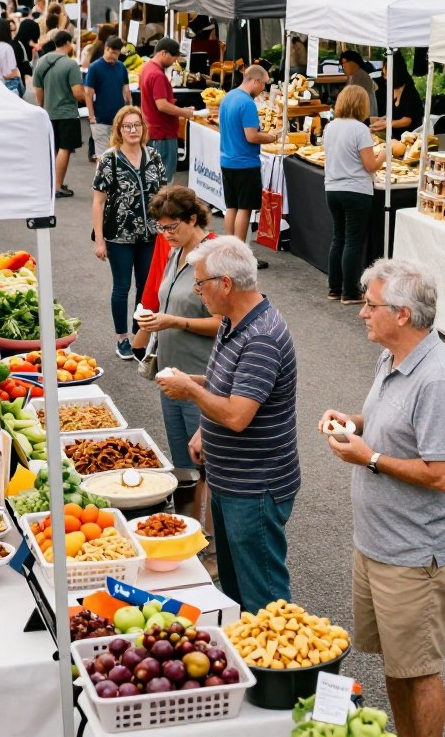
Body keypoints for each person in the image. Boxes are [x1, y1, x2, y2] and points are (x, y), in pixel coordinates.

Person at [319, 259, 445, 737]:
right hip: (378, 545)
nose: (362, 312)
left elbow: (443, 474)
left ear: (403, 314)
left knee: (420, 670)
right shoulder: (393, 356)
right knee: (395, 662)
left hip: (414, 555)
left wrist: (370, 457)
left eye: (371, 305)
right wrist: (353, 424)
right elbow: (391, 426)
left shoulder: (439, 379)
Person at [157, 237, 299, 612]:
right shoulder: (233, 321)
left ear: (225, 284)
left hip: (254, 486)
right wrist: (204, 423)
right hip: (230, 478)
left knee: (264, 595)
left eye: (200, 283)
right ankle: (248, 662)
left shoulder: (262, 337)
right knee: (236, 589)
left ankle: (277, 666)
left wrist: (189, 391)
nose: (195, 289)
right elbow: (228, 384)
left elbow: (237, 415)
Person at [141, 186, 221, 469]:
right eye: (161, 228)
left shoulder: (213, 257)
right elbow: (167, 301)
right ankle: (188, 514)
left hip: (201, 377)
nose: (166, 234)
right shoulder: (177, 253)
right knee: (182, 464)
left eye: (172, 227)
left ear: (192, 219)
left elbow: (224, 323)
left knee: (207, 465)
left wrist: (174, 321)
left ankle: (205, 515)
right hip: (170, 376)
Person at [92, 106, 166, 360]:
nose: (133, 130)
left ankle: (140, 335)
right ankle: (121, 338)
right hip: (119, 236)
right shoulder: (109, 159)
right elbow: (98, 202)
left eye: (137, 125)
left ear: (143, 128)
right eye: (127, 126)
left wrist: (167, 228)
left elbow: (163, 196)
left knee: (147, 287)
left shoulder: (153, 156)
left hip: (150, 236)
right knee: (122, 286)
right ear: (119, 130)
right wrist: (100, 240)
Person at [323, 85, 388, 304]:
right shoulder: (360, 129)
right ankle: (350, 292)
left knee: (338, 238)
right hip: (356, 189)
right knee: (353, 241)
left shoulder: (330, 127)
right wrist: (384, 155)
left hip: (332, 188)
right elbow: (370, 165)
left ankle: (335, 287)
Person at [218, 65, 278, 259]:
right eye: (264, 84)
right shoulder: (247, 103)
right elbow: (252, 136)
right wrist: (271, 137)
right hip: (245, 162)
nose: (264, 89)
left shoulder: (228, 97)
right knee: (245, 209)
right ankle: (239, 254)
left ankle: (229, 249)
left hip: (227, 160)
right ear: (255, 81)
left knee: (232, 207)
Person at [33, 30, 86, 198]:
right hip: (67, 113)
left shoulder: (42, 61)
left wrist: (42, 105)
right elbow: (77, 92)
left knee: (53, 149)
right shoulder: (70, 65)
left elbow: (38, 89)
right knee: (65, 148)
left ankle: (50, 183)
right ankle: (57, 186)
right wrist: (89, 99)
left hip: (49, 112)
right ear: (68, 43)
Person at [139, 37, 195, 185]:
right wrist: (184, 112)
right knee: (163, 181)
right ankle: (161, 208)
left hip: (153, 131)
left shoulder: (146, 68)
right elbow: (162, 105)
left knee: (152, 179)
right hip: (163, 134)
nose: (174, 62)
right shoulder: (157, 75)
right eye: (174, 57)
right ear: (164, 53)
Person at [85, 35, 131, 158]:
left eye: (116, 54)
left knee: (118, 156)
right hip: (100, 119)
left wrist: (129, 110)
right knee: (103, 157)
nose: (113, 57)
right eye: (111, 53)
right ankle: (103, 177)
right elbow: (88, 94)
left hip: (118, 120)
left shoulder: (121, 67)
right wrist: (91, 116)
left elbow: (126, 90)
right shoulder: (94, 67)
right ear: (106, 49)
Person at [368, 52, 423, 134]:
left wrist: (387, 124)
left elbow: (407, 120)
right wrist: (380, 119)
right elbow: (394, 115)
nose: (384, 75)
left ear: (395, 71)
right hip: (394, 138)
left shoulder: (409, 92)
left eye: (386, 72)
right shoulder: (392, 89)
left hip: (409, 138)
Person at [340, 49, 378, 119]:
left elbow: (353, 99)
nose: (344, 66)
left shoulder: (361, 76)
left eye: (346, 63)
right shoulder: (351, 75)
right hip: (358, 113)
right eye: (342, 63)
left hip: (366, 115)